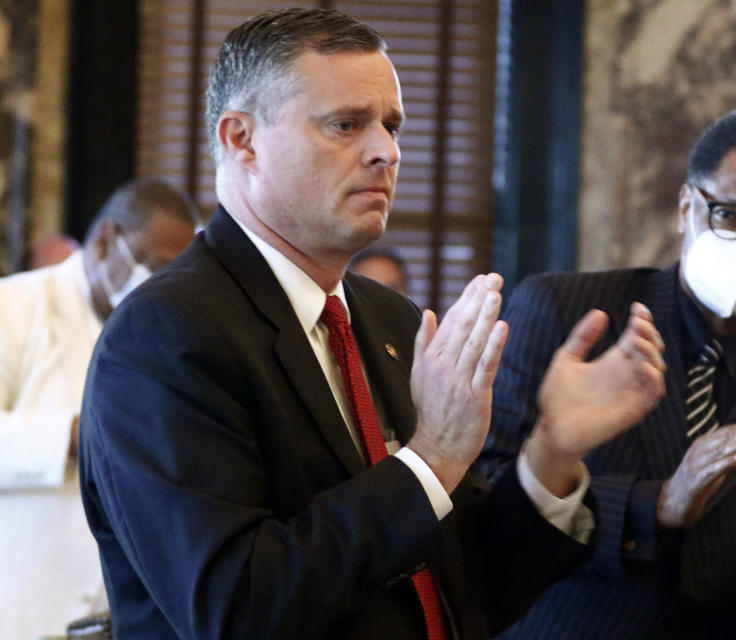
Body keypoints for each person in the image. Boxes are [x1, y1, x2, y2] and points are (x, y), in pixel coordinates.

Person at [78, 9, 668, 639]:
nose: (386, 151)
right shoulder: (164, 332)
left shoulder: (389, 318)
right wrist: (432, 457)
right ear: (241, 140)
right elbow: (236, 607)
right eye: (346, 124)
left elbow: (465, 592)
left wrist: (552, 452)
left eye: (391, 125)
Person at [481, 109, 736, 639]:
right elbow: (484, 501)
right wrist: (654, 505)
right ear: (686, 206)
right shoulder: (569, 315)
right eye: (728, 215)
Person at [0, 177, 198, 640]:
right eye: (154, 267)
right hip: (22, 595)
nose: (161, 286)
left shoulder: (172, 335)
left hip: (124, 609)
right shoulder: (15, 305)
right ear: (106, 241)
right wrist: (77, 435)